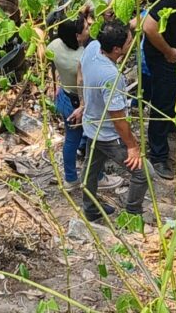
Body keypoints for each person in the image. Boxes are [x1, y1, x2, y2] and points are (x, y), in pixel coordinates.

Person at [81, 21, 148, 221]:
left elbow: (79, 71)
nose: (132, 41)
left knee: (91, 169)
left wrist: (83, 103)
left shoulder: (93, 47)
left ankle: (90, 208)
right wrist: (132, 146)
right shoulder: (111, 76)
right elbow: (118, 118)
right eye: (129, 40)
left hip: (92, 124)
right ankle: (132, 214)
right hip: (109, 135)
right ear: (117, 49)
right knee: (143, 174)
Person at [47, 12, 121, 190]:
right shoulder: (83, 56)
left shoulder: (55, 45)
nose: (89, 27)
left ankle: (70, 178)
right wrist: (82, 106)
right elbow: (82, 82)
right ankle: (98, 177)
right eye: (86, 27)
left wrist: (55, 82)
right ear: (77, 36)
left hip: (64, 96)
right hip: (78, 102)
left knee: (70, 140)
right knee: (94, 139)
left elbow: (50, 61)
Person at [142, 0, 176, 180]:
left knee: (169, 97)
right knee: (163, 101)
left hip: (169, 51)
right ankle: (158, 155)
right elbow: (148, 25)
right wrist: (168, 51)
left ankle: (169, 128)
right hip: (165, 56)